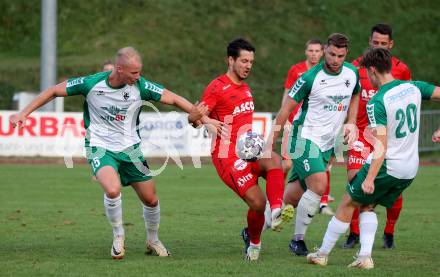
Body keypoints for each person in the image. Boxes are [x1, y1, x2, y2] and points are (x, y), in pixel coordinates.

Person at [10, 47, 207, 259]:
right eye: (134, 73)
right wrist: (24, 113)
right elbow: (53, 91)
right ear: (119, 69)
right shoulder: (92, 83)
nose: (138, 77)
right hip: (100, 146)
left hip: (131, 150)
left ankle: (153, 239)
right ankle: (118, 235)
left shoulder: (140, 86)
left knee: (151, 200)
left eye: (139, 72)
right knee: (112, 190)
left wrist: (197, 114)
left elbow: (173, 97)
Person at [307, 47, 440, 269]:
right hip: (410, 169)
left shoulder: (377, 101)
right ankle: (364, 258)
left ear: (372, 70)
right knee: (367, 205)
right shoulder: (414, 87)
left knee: (347, 202)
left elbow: (380, 146)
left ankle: (321, 254)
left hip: (390, 165)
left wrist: (369, 178)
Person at [200, 38, 293, 261]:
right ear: (230, 60)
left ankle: (277, 210)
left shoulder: (246, 88)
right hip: (227, 156)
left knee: (275, 160)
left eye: (251, 61)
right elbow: (196, 115)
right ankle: (254, 241)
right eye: (243, 61)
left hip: (250, 149)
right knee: (257, 203)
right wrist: (210, 124)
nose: (248, 66)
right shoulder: (216, 87)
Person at [269, 33, 360, 256]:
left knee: (291, 197)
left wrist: (351, 122)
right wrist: (270, 143)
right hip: (304, 138)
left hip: (328, 143)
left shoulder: (352, 73)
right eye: (331, 54)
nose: (335, 59)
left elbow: (356, 93)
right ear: (324, 52)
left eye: (340, 55)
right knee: (319, 185)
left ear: (345, 53)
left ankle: (253, 229)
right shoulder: (310, 77)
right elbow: (285, 110)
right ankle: (297, 240)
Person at [344, 23, 412, 249]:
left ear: (391, 44)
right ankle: (353, 234)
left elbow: (408, 98)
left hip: (388, 138)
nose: (380, 46)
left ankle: (389, 232)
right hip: (362, 136)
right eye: (375, 43)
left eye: (384, 43)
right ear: (369, 42)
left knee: (394, 188)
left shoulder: (401, 70)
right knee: (355, 183)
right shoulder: (356, 67)